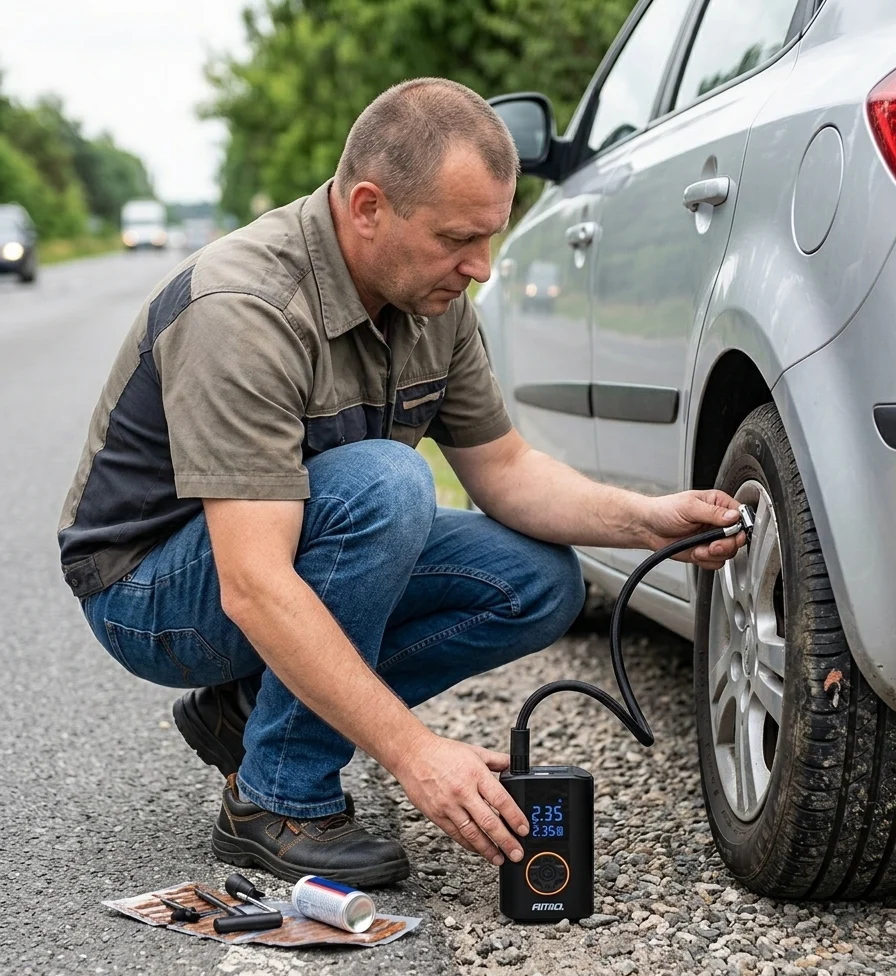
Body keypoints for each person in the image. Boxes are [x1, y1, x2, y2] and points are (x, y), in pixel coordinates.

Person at [57, 78, 745, 887]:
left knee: (539, 580)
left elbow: (508, 471)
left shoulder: (432, 297)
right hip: (149, 593)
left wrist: (646, 521)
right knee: (387, 484)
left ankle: (254, 716)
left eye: (491, 236)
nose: (481, 269)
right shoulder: (245, 309)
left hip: (265, 561)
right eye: (460, 238)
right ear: (369, 207)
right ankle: (278, 799)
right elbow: (253, 584)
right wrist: (416, 753)